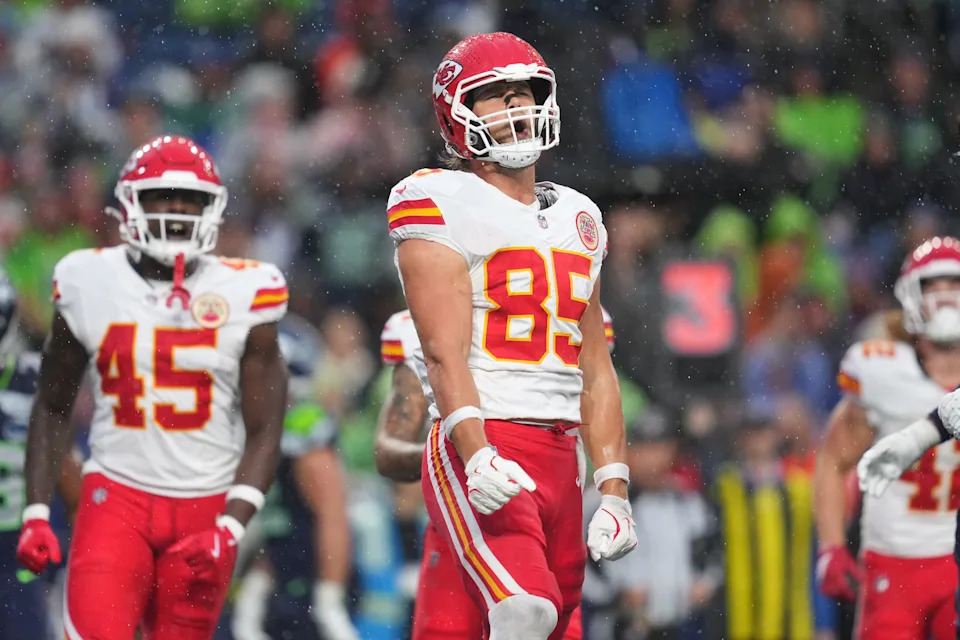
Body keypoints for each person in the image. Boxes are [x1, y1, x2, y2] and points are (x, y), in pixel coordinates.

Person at [386, 32, 637, 640]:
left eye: (524, 92)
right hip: (487, 436)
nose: (517, 107)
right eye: (495, 97)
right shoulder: (437, 198)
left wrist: (615, 487)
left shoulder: (580, 216)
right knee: (525, 610)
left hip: (562, 455)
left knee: (555, 624)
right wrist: (475, 451)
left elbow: (595, 367)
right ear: (457, 114)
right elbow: (444, 353)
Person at [15, 136, 289, 640]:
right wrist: (35, 510)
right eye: (162, 196)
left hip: (206, 505)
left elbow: (268, 425)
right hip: (116, 499)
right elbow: (52, 405)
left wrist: (231, 527)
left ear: (215, 209)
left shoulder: (249, 289)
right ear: (129, 205)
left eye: (192, 199)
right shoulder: (86, 278)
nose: (178, 210)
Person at [375, 306, 616, 638]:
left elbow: (595, 400)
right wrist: (463, 457)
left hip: (549, 526)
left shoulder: (575, 298)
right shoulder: (429, 313)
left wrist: (611, 488)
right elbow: (388, 452)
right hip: (460, 531)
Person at [818, 237, 960, 639]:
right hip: (895, 565)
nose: (947, 298)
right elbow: (833, 460)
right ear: (912, 296)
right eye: (935, 286)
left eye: (955, 285)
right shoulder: (882, 371)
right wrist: (830, 546)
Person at [231, 313, 358, 640]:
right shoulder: (251, 423)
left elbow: (332, 515)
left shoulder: (302, 425)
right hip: (272, 573)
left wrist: (329, 599)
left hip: (304, 579)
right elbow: (272, 519)